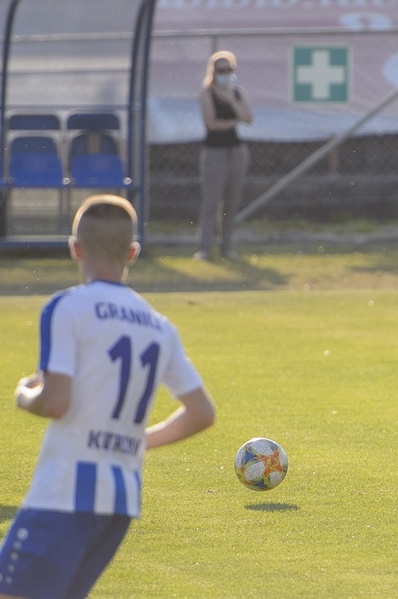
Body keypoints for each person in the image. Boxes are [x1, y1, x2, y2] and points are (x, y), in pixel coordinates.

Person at [0, 194, 217, 598]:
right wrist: (140, 439)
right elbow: (202, 412)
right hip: (120, 501)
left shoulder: (67, 307)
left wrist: (24, 394)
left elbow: (55, 401)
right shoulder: (159, 325)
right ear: (133, 253)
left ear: (74, 248)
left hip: (63, 494)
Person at [195, 49, 253, 261]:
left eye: (228, 69)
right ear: (213, 71)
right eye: (220, 69)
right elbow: (212, 124)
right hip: (214, 152)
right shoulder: (206, 93)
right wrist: (234, 120)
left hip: (236, 151)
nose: (225, 73)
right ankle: (204, 248)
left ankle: (226, 247)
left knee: (232, 201)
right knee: (211, 201)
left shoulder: (237, 92)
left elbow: (248, 117)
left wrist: (231, 102)